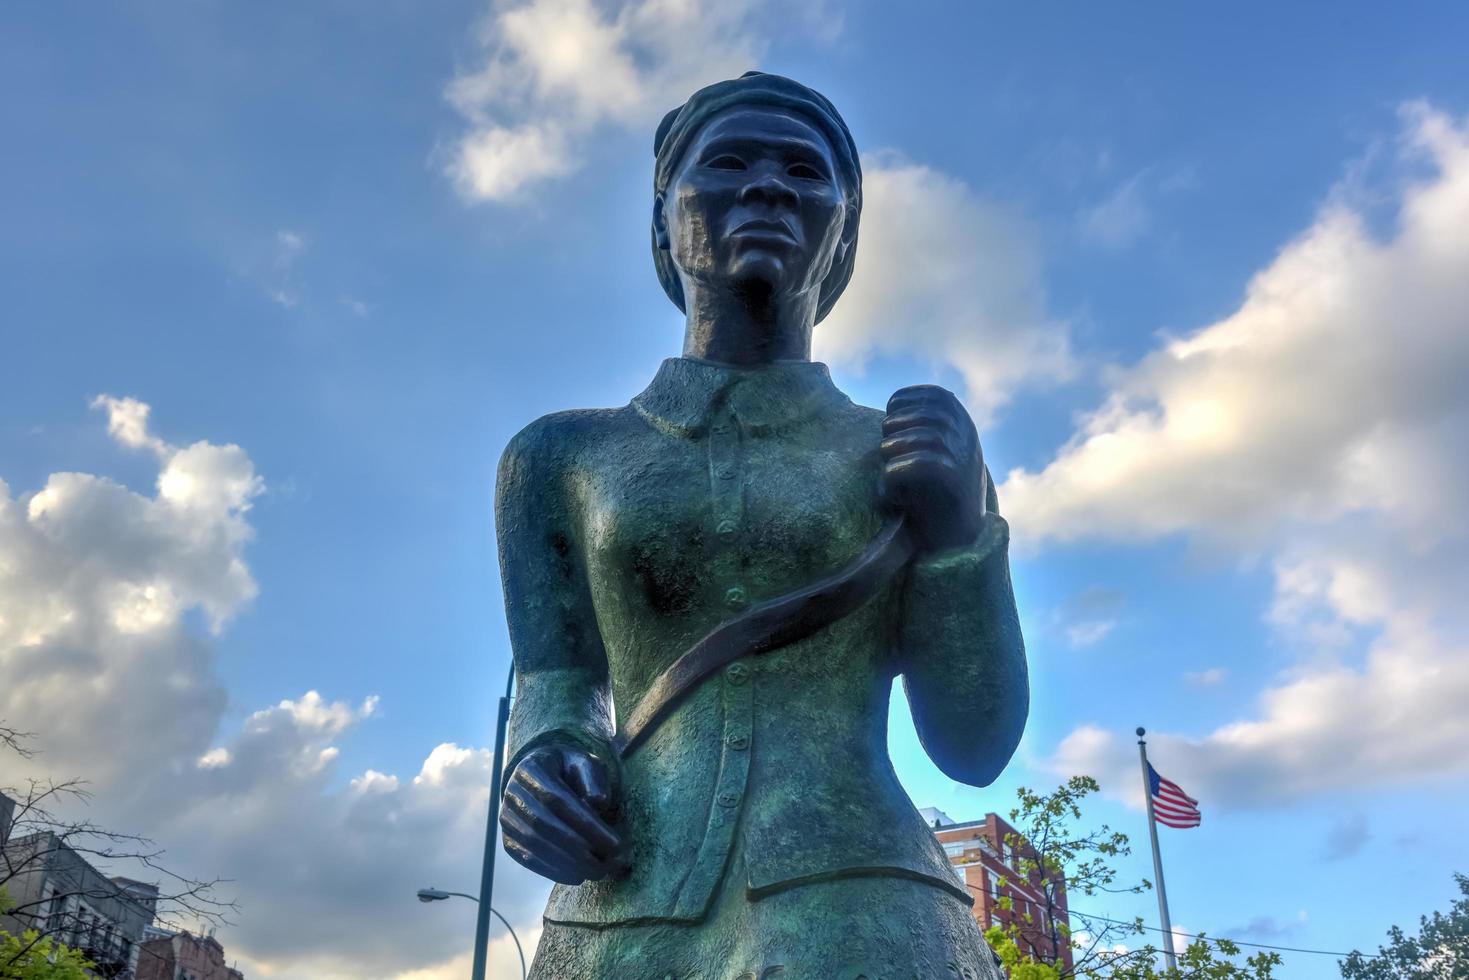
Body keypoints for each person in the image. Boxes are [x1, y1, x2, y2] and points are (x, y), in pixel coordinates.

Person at [494, 71, 1028, 979]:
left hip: (864, 898)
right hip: (621, 915)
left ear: (842, 229)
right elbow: (556, 675)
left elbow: (974, 746)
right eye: (729, 161)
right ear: (663, 216)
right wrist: (541, 770)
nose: (769, 187)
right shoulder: (558, 458)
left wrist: (957, 540)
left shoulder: (905, 449)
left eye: (803, 171)